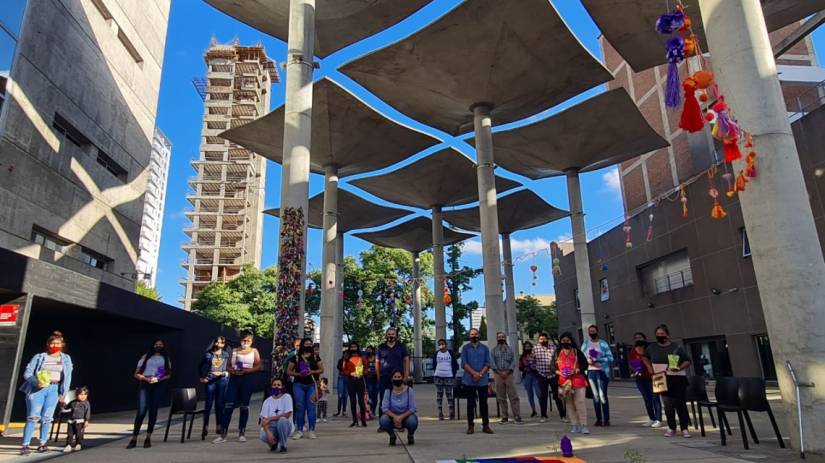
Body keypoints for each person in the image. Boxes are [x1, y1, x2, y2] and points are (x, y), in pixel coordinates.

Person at [19, 331, 73, 455]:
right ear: (48, 344)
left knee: (47, 418)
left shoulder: (65, 358)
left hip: (54, 388)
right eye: (52, 343)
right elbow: (27, 373)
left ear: (62, 344)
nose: (55, 346)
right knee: (33, 417)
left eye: (57, 343)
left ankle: (42, 444)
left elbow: (68, 376)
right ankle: (25, 445)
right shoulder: (39, 357)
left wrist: (63, 393)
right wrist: (35, 382)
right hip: (37, 389)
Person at [213, 330, 261, 444]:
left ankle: (242, 432)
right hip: (234, 379)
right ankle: (223, 434)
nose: (245, 342)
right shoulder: (234, 351)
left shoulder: (254, 351)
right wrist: (233, 371)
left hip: (247, 379)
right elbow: (228, 366)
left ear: (251, 341)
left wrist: (247, 371)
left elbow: (258, 365)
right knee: (228, 405)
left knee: (244, 406)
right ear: (240, 340)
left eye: (248, 340)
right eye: (243, 340)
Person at [646, 324, 692, 438]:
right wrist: (650, 368)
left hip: (677, 378)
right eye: (657, 334)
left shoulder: (676, 347)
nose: (659, 336)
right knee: (667, 405)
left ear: (667, 334)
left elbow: (687, 361)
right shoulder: (652, 347)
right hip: (660, 378)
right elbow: (644, 357)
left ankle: (684, 428)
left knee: (680, 403)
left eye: (662, 334)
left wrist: (679, 368)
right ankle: (671, 427)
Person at [128, 339, 171, 449]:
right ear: (153, 345)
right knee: (141, 411)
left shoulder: (165, 358)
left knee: (153, 410)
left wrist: (158, 378)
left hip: (157, 384)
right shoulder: (146, 357)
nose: (158, 346)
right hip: (145, 383)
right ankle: (134, 438)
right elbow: (136, 373)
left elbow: (166, 374)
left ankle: (148, 437)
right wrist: (145, 379)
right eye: (156, 344)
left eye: (160, 344)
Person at [287, 337, 324, 439]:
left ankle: (312, 430)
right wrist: (298, 374)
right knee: (300, 407)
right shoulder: (296, 358)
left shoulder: (316, 357)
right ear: (302, 345)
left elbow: (321, 370)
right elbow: (288, 371)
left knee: (311, 407)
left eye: (310, 344)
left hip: (311, 384)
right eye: (306, 344)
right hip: (298, 384)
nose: (308, 346)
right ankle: (299, 430)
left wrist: (312, 372)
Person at [555, 332, 590, 435]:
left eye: (567, 340)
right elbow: (552, 366)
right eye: (563, 340)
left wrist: (577, 370)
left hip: (578, 380)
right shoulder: (557, 352)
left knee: (580, 403)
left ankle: (584, 425)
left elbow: (585, 364)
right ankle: (574, 424)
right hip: (563, 382)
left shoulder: (576, 351)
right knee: (569, 404)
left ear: (571, 341)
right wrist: (559, 372)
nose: (565, 342)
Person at [460, 328, 493, 435]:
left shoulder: (485, 348)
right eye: (472, 334)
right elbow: (464, 363)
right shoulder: (465, 348)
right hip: (469, 380)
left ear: (479, 335)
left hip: (482, 380)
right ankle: (470, 426)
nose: (474, 336)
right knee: (470, 404)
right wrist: (474, 373)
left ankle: (486, 425)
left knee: (484, 403)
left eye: (475, 334)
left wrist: (480, 374)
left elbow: (488, 363)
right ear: (469, 336)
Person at [582, 324, 613, 427]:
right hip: (591, 371)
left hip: (602, 371)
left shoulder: (603, 343)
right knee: (595, 396)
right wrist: (588, 361)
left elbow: (610, 358)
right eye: (590, 331)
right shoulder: (586, 344)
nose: (592, 333)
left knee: (602, 395)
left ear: (597, 331)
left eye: (593, 331)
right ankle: (598, 419)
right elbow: (581, 357)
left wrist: (599, 359)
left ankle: (606, 419)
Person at [629, 332, 661, 428]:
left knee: (655, 398)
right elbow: (631, 363)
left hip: (652, 377)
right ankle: (652, 418)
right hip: (640, 379)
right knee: (647, 399)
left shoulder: (651, 349)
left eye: (640, 337)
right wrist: (635, 369)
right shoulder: (633, 351)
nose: (638, 339)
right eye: (636, 338)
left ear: (644, 338)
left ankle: (658, 419)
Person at [199, 336, 230, 437]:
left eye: (221, 343)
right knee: (208, 404)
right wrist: (202, 377)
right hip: (210, 380)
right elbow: (200, 366)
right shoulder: (208, 354)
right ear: (214, 343)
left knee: (220, 404)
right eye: (217, 342)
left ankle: (219, 426)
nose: (219, 344)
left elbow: (229, 367)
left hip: (222, 380)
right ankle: (205, 426)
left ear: (223, 344)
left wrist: (224, 373)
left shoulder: (226, 354)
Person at [532, 333, 566, 423]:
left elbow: (558, 360)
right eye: (541, 339)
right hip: (542, 375)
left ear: (547, 339)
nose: (543, 341)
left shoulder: (553, 347)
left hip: (553, 375)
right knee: (543, 396)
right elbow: (532, 361)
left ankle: (562, 415)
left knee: (557, 396)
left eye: (544, 339)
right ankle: (543, 416)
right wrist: (536, 369)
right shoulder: (535, 348)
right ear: (539, 340)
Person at [379, 370, 418, 446]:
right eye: (395, 377)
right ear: (392, 379)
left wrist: (400, 417)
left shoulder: (409, 391)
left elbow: (412, 408)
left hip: (406, 416)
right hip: (392, 417)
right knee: (383, 419)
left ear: (403, 378)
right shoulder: (388, 391)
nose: (397, 379)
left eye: (399, 377)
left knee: (413, 421)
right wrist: (395, 417)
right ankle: (392, 436)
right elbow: (384, 408)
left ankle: (410, 435)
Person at [376, 327, 410, 414]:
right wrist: (378, 375)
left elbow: (406, 360)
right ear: (386, 335)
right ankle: (383, 422)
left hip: (398, 377)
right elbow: (377, 362)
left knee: (399, 399)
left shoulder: (402, 346)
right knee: (383, 399)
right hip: (384, 376)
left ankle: (399, 422)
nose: (391, 336)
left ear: (396, 335)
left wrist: (406, 375)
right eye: (389, 334)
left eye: (393, 334)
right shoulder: (381, 347)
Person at [491, 332, 521, 424]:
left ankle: (517, 416)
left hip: (509, 374)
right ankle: (505, 416)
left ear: (505, 338)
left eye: (502, 337)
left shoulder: (510, 349)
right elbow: (492, 362)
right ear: (497, 338)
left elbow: (513, 361)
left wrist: (507, 372)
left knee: (513, 396)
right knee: (501, 396)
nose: (501, 338)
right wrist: (499, 372)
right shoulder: (494, 350)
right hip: (498, 374)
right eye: (499, 337)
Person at [259, 378, 293, 453]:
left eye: (278, 385)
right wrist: (268, 433)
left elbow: (287, 414)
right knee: (262, 435)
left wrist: (270, 418)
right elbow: (264, 421)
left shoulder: (287, 397)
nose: (276, 387)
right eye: (274, 385)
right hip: (272, 427)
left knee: (282, 420)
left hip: (285, 426)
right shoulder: (267, 401)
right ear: (271, 387)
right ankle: (273, 444)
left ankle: (283, 446)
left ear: (282, 387)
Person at [342, 341, 368, 427]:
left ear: (357, 347)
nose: (353, 348)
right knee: (353, 402)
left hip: (360, 380)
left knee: (361, 402)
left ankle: (363, 420)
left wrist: (363, 373)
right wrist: (349, 373)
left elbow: (366, 369)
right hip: (351, 381)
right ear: (350, 348)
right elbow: (344, 370)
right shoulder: (346, 358)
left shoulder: (362, 357)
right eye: (352, 347)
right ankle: (355, 420)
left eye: (355, 347)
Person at [431, 338, 458, 420]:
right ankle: (440, 412)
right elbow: (434, 364)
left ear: (446, 344)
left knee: (449, 394)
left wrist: (453, 374)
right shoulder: (436, 354)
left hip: (449, 375)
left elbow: (455, 364)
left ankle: (451, 412)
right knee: (439, 395)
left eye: (442, 344)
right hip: (438, 375)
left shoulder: (450, 353)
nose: (441, 345)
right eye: (439, 344)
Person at [62, 386, 90, 453]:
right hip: (71, 421)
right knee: (69, 434)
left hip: (80, 421)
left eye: (85, 394)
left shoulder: (86, 403)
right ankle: (68, 445)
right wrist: (63, 404)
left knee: (78, 433)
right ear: (76, 395)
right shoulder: (72, 402)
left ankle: (78, 444)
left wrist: (86, 420)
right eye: (80, 394)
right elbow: (66, 408)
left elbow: (87, 412)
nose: (83, 396)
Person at [519, 341, 541, 418]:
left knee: (539, 393)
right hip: (527, 376)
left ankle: (542, 409)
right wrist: (524, 368)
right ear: (524, 348)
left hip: (535, 375)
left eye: (529, 346)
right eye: (526, 347)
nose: (527, 348)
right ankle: (533, 410)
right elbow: (520, 367)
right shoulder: (522, 357)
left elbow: (539, 364)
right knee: (530, 394)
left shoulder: (535, 356)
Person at [333, 347, 348, 418]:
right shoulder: (340, 360)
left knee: (345, 395)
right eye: (345, 354)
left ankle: (344, 411)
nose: (346, 355)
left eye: (347, 354)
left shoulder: (349, 361)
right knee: (340, 395)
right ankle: (339, 411)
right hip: (341, 377)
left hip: (347, 378)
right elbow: (338, 367)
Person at [364, 346, 379, 416]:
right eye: (367, 350)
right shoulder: (365, 358)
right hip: (368, 378)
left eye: (370, 350)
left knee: (375, 395)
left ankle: (373, 410)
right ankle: (370, 410)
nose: (368, 351)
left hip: (376, 378)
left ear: (373, 350)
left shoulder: (377, 357)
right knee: (370, 395)